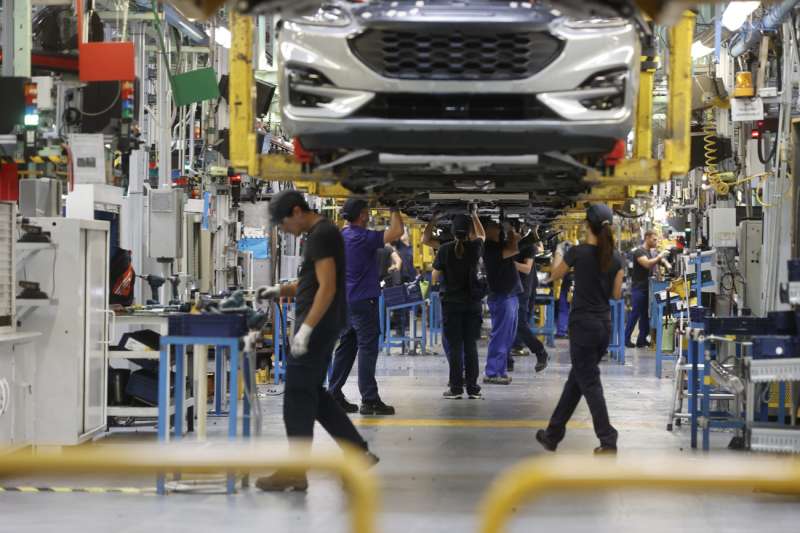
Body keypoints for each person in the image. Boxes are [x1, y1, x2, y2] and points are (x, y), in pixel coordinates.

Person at [255, 190, 378, 492]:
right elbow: (310, 284)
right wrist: (276, 290)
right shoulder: (321, 234)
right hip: (324, 324)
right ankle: (357, 453)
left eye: (284, 223)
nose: (284, 230)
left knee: (297, 398)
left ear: (297, 211)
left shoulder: (322, 235)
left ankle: (295, 472)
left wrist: (307, 329)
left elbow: (327, 287)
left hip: (318, 327)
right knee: (315, 395)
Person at [535, 204, 623, 454]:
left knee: (590, 383)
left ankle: (608, 439)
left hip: (583, 326)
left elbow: (554, 275)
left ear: (587, 225)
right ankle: (552, 435)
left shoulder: (578, 252)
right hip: (603, 326)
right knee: (577, 380)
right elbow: (616, 294)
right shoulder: (616, 258)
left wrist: (559, 254)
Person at [329, 199, 404, 415]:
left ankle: (333, 394)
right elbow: (397, 231)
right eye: (367, 212)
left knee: (347, 346)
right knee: (368, 348)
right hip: (363, 303)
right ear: (362, 215)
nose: (370, 215)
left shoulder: (342, 236)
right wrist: (395, 206)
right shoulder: (364, 237)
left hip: (345, 302)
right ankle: (369, 399)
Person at [431, 208, 486, 399]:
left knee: (455, 348)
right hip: (472, 304)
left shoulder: (445, 249)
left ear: (453, 231)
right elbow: (482, 235)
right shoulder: (476, 247)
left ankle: (455, 389)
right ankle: (473, 388)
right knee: (470, 346)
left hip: (451, 305)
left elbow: (435, 278)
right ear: (469, 231)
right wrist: (475, 215)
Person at [482, 219, 521, 385]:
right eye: (493, 226)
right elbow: (513, 248)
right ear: (486, 231)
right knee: (500, 335)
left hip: (510, 295)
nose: (497, 227)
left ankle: (500, 370)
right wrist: (510, 230)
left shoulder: (499, 244)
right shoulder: (488, 248)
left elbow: (514, 245)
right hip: (501, 296)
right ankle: (491, 373)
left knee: (507, 337)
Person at [509, 223, 549, 374]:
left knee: (519, 324)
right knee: (507, 325)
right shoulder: (509, 245)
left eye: (512, 230)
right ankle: (507, 360)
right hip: (510, 288)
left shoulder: (527, 247)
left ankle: (540, 352)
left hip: (523, 290)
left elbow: (526, 268)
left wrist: (507, 263)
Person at [624, 229, 669, 348]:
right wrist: (660, 256)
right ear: (647, 237)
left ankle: (642, 339)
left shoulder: (648, 252)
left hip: (647, 287)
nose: (656, 242)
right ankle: (626, 338)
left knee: (645, 315)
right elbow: (647, 264)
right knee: (635, 313)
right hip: (638, 288)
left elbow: (653, 266)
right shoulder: (639, 252)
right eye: (654, 239)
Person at [553, 239, 573, 338]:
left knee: (563, 307)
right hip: (573, 280)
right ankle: (565, 330)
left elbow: (556, 268)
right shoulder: (565, 246)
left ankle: (562, 331)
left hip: (567, 280)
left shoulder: (561, 247)